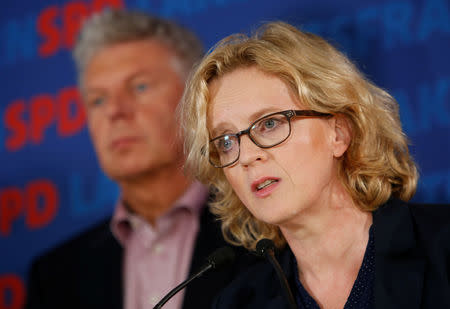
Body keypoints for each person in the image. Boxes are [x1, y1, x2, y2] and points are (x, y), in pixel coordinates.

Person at [179, 21, 450, 308]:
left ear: (339, 133)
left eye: (269, 124)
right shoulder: (237, 303)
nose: (246, 156)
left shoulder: (442, 250)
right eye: (226, 141)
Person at [25, 9, 248, 309]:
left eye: (139, 86)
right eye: (98, 99)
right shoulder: (53, 275)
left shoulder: (260, 231)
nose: (115, 111)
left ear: (195, 99)